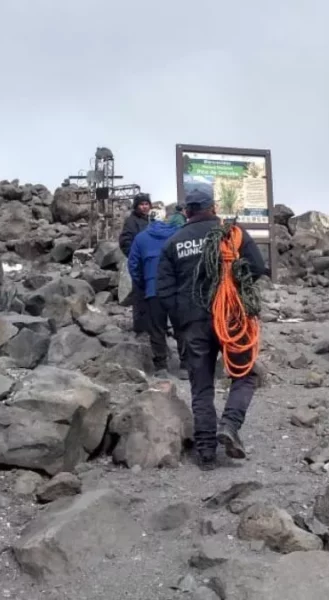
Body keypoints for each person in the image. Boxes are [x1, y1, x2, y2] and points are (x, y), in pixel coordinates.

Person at [156, 187, 266, 470]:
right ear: (213, 207)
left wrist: (181, 321)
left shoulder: (174, 243)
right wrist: (237, 288)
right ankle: (229, 424)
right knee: (245, 374)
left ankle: (206, 453)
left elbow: (164, 290)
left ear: (188, 211)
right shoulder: (232, 233)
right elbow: (257, 265)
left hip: (193, 324)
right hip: (231, 318)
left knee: (201, 385)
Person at [128, 208, 186, 377]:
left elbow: (133, 265)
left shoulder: (141, 238)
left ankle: (161, 367)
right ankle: (185, 366)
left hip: (153, 290)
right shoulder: (178, 234)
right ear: (165, 219)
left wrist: (144, 283)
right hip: (176, 289)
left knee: (157, 328)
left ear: (150, 221)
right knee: (181, 326)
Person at [119, 193, 153, 333]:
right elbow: (125, 242)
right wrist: (136, 258)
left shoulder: (150, 220)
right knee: (139, 297)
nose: (144, 207)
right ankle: (140, 329)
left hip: (150, 265)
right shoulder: (131, 221)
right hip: (140, 265)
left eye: (146, 204)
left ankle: (151, 327)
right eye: (141, 204)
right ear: (136, 206)